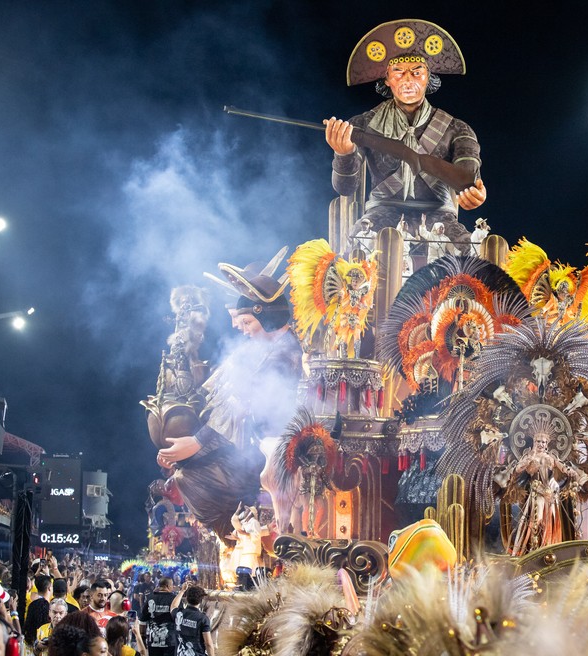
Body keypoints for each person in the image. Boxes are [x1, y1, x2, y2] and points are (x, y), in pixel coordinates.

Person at [157, 273, 303, 544]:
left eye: (247, 322)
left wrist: (198, 442)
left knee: (192, 478)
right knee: (185, 472)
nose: (241, 328)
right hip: (246, 442)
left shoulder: (285, 353)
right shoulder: (259, 349)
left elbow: (247, 402)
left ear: (268, 317)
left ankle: (238, 538)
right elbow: (222, 394)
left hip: (270, 448)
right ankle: (236, 537)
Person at [325, 19, 485, 250]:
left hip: (439, 214)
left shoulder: (458, 129)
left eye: (417, 72)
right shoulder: (362, 124)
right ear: (387, 79)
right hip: (381, 211)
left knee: (466, 254)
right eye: (398, 72)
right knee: (360, 246)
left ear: (428, 77)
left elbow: (468, 176)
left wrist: (475, 194)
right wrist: (344, 154)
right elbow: (345, 189)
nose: (408, 79)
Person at [169, 586, 213, 656]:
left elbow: (173, 606)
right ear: (201, 601)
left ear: (186, 598)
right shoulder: (203, 619)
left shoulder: (179, 614)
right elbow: (208, 644)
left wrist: (182, 591)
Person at [138, 579, 174, 656]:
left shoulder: (151, 598)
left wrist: (143, 638)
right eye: (172, 585)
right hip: (171, 642)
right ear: (168, 586)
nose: (173, 588)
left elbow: (143, 620)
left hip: (153, 642)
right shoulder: (175, 599)